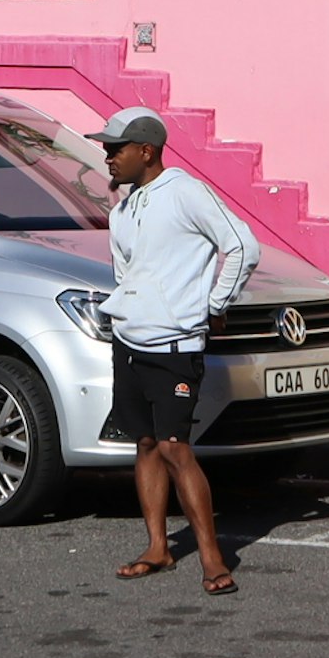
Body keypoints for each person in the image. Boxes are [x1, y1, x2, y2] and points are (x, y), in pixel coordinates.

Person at [89, 105, 258, 595]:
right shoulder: (122, 211)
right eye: (105, 149)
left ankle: (211, 558)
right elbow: (126, 276)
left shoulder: (184, 191)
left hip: (175, 345)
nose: (108, 157)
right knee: (143, 444)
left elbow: (242, 246)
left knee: (175, 447)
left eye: (115, 149)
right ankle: (157, 548)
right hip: (130, 342)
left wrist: (214, 303)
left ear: (146, 151)